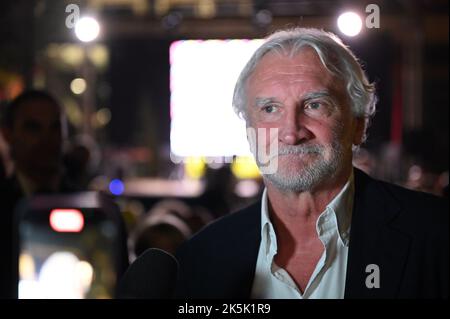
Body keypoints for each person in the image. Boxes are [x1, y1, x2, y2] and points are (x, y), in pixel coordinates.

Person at [175, 28, 448, 299]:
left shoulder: (436, 235)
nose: (292, 133)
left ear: (358, 124)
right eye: (270, 109)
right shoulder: (201, 257)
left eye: (315, 105)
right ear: (249, 131)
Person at [0, 90, 76, 298]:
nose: (47, 139)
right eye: (33, 128)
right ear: (8, 134)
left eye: (55, 128)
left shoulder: (92, 208)